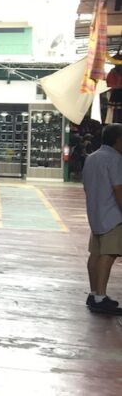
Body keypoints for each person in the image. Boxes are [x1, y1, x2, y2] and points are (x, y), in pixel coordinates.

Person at [82, 123, 122, 315]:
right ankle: (101, 297)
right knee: (109, 254)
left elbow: (86, 186)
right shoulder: (115, 159)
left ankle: (93, 293)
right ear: (117, 140)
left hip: (95, 212)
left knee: (95, 253)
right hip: (113, 214)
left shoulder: (92, 157)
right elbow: (118, 189)